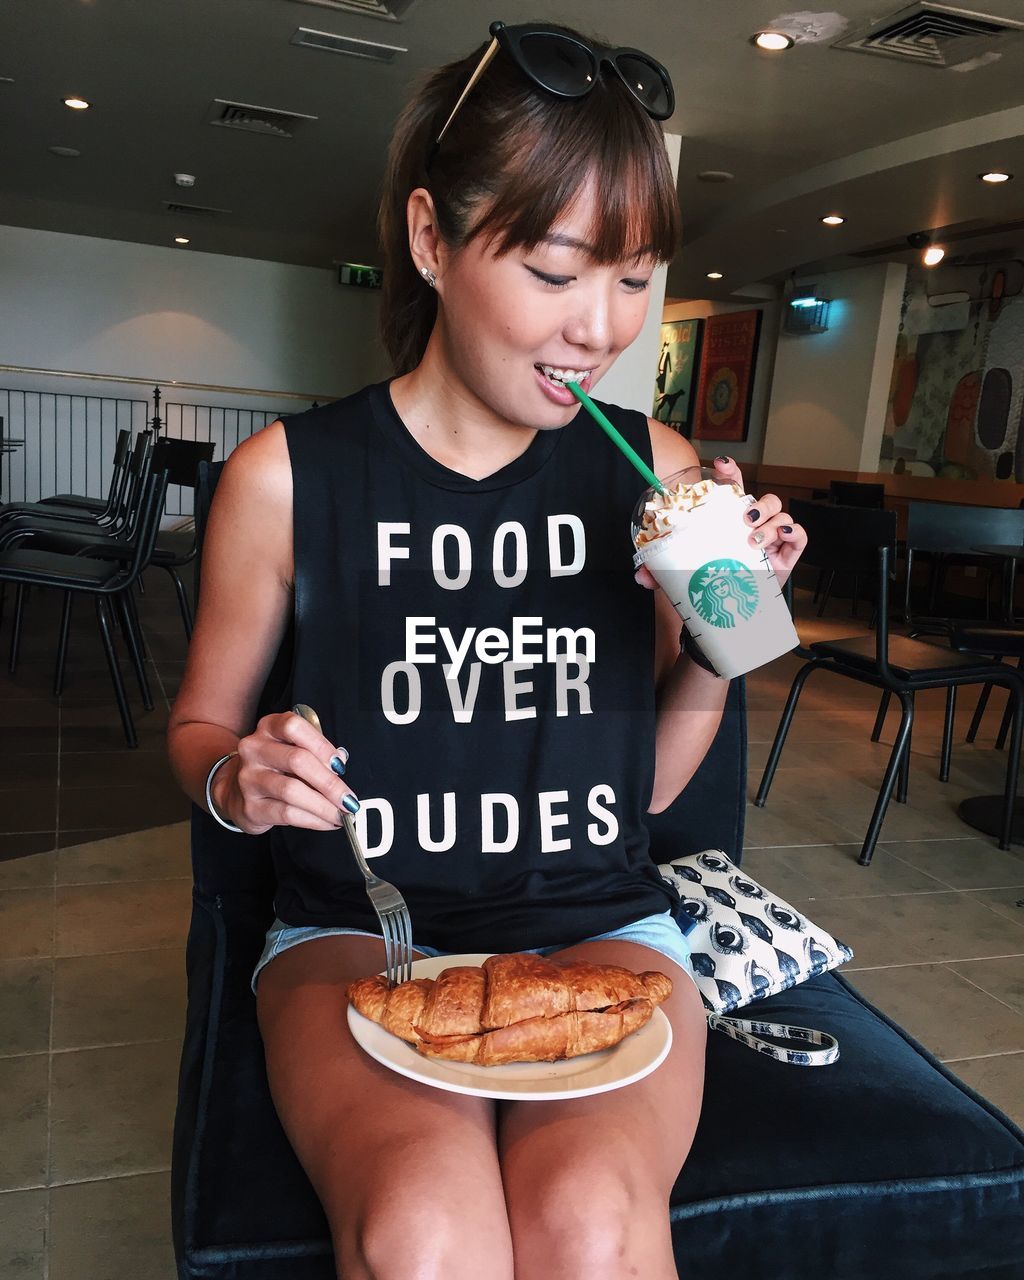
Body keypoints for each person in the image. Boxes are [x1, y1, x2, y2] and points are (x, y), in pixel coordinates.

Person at [167, 19, 807, 1279]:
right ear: (430, 237)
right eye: (559, 270)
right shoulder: (286, 479)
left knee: (590, 1229)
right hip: (362, 931)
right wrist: (235, 776)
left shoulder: (660, 472)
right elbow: (196, 727)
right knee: (422, 1233)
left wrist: (729, 639)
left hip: (600, 924)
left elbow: (655, 792)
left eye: (635, 278)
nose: (600, 327)